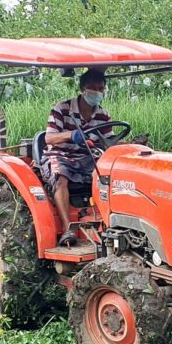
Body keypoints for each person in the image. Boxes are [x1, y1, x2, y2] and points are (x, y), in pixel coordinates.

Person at [41, 69, 112, 246]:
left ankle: (109, 225)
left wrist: (132, 143)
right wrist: (71, 135)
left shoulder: (103, 115)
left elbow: (109, 141)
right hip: (60, 154)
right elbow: (49, 138)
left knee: (111, 174)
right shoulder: (62, 109)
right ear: (82, 88)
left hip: (87, 157)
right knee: (61, 176)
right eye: (93, 88)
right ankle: (68, 229)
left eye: (100, 88)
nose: (97, 92)